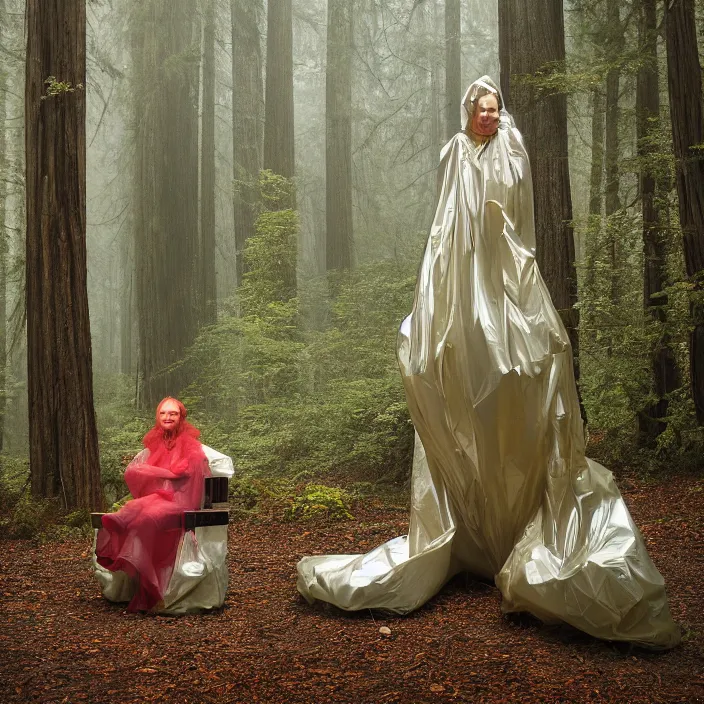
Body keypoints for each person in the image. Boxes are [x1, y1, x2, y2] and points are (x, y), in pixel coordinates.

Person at [296, 76, 680, 649]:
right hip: (459, 280)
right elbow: (445, 225)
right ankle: (474, 535)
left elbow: (512, 222)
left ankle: (519, 529)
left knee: (521, 375)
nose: (488, 118)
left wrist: (505, 282)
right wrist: (436, 299)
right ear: (467, 112)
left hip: (503, 280)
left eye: (495, 110)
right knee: (456, 384)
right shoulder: (454, 151)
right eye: (481, 110)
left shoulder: (513, 147)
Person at [95, 397, 210, 612]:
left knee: (145, 518)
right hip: (160, 497)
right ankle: (121, 523)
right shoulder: (155, 444)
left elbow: (190, 481)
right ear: (157, 417)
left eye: (173, 414)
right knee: (136, 511)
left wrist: (166, 474)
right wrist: (154, 473)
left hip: (180, 501)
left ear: (181, 417)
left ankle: (151, 588)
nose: (167, 417)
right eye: (163, 413)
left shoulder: (191, 447)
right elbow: (146, 479)